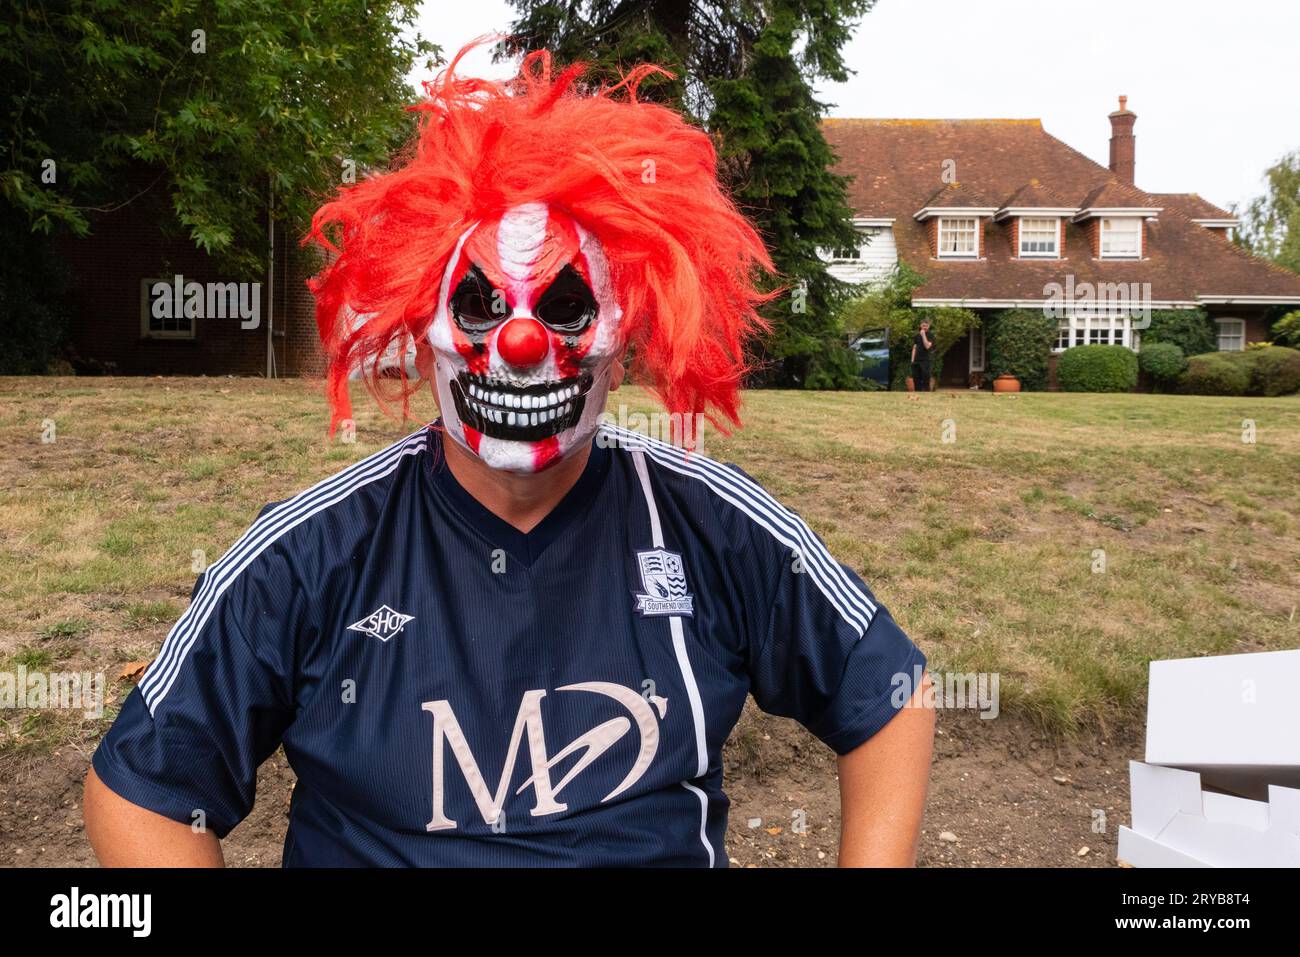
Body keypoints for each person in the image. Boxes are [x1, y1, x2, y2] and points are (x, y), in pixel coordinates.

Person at [83, 44, 934, 867]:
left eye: (566, 305)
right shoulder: (308, 556)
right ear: (422, 330)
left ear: (623, 329)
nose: (522, 343)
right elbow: (141, 792)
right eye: (479, 306)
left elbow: (889, 698)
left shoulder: (710, 524)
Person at [910, 319, 935, 392]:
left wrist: (923, 335)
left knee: (925, 377)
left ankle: (926, 393)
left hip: (926, 360)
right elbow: (914, 347)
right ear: (920, 326)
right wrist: (912, 360)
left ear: (929, 326)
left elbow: (927, 346)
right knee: (916, 378)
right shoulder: (917, 336)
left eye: (926, 326)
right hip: (916, 360)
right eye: (923, 325)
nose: (925, 327)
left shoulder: (930, 335)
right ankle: (917, 392)